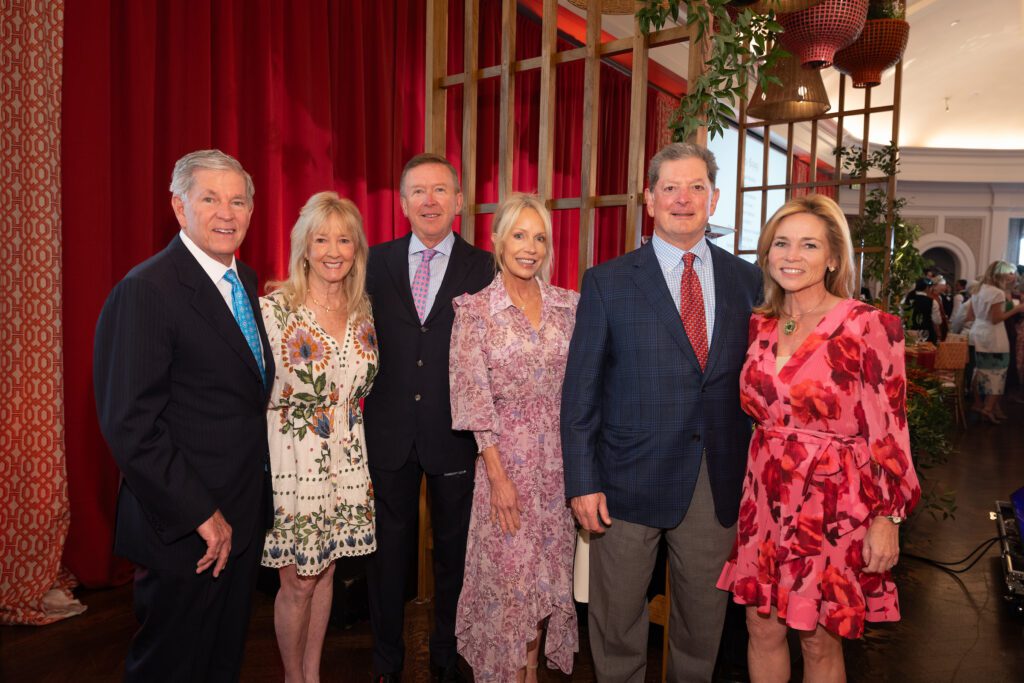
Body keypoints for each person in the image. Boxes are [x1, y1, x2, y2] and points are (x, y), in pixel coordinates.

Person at [561, 142, 762, 681]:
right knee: (617, 620)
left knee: (703, 622)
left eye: (696, 187)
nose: (683, 198)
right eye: (670, 187)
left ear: (714, 199)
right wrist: (582, 481)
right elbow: (580, 393)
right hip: (624, 480)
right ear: (649, 199)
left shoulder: (750, 282)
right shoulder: (607, 282)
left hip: (714, 481)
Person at [716, 194, 922, 681]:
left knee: (819, 639)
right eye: (781, 244)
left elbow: (890, 430)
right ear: (766, 254)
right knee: (760, 627)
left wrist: (888, 516)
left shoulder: (868, 325)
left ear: (833, 258)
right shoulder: (760, 324)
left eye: (809, 245)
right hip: (765, 500)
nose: (792, 256)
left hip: (833, 505)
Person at [93, 149, 273, 681]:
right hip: (186, 531)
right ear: (179, 207)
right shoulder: (147, 291)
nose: (227, 212)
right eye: (210, 198)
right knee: (169, 667)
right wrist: (201, 514)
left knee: (220, 663)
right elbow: (131, 425)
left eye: (238, 200)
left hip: (238, 520)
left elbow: (237, 401)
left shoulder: (245, 281)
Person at [363, 153, 494, 682]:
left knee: (455, 556)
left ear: (459, 201)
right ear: (402, 203)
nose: (430, 200)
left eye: (441, 190)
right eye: (418, 191)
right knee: (387, 557)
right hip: (388, 434)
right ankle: (385, 662)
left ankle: (446, 656)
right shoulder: (374, 262)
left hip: (455, 435)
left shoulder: (484, 267)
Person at [449, 194, 579, 682]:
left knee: (545, 590)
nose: (530, 247)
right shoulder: (475, 312)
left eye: (540, 237)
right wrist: (499, 477)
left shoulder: (569, 307)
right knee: (513, 594)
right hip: (506, 471)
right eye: (519, 235)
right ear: (497, 241)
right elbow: (472, 399)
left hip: (560, 473)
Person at [260, 192, 378, 681]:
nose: (333, 250)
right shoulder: (275, 309)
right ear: (303, 246)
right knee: (298, 582)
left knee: (327, 573)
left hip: (348, 458)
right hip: (295, 462)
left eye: (344, 239)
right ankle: (293, 677)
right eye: (321, 238)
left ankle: (312, 673)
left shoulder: (362, 309)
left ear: (356, 249)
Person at [969, 261, 1024, 424]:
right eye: (1010, 273)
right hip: (993, 336)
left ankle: (979, 404)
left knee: (979, 372)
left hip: (978, 332)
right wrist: (1017, 309)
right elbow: (996, 319)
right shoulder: (997, 293)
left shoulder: (978, 289)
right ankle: (988, 409)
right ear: (1002, 274)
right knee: (998, 374)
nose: (1012, 277)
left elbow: (973, 315)